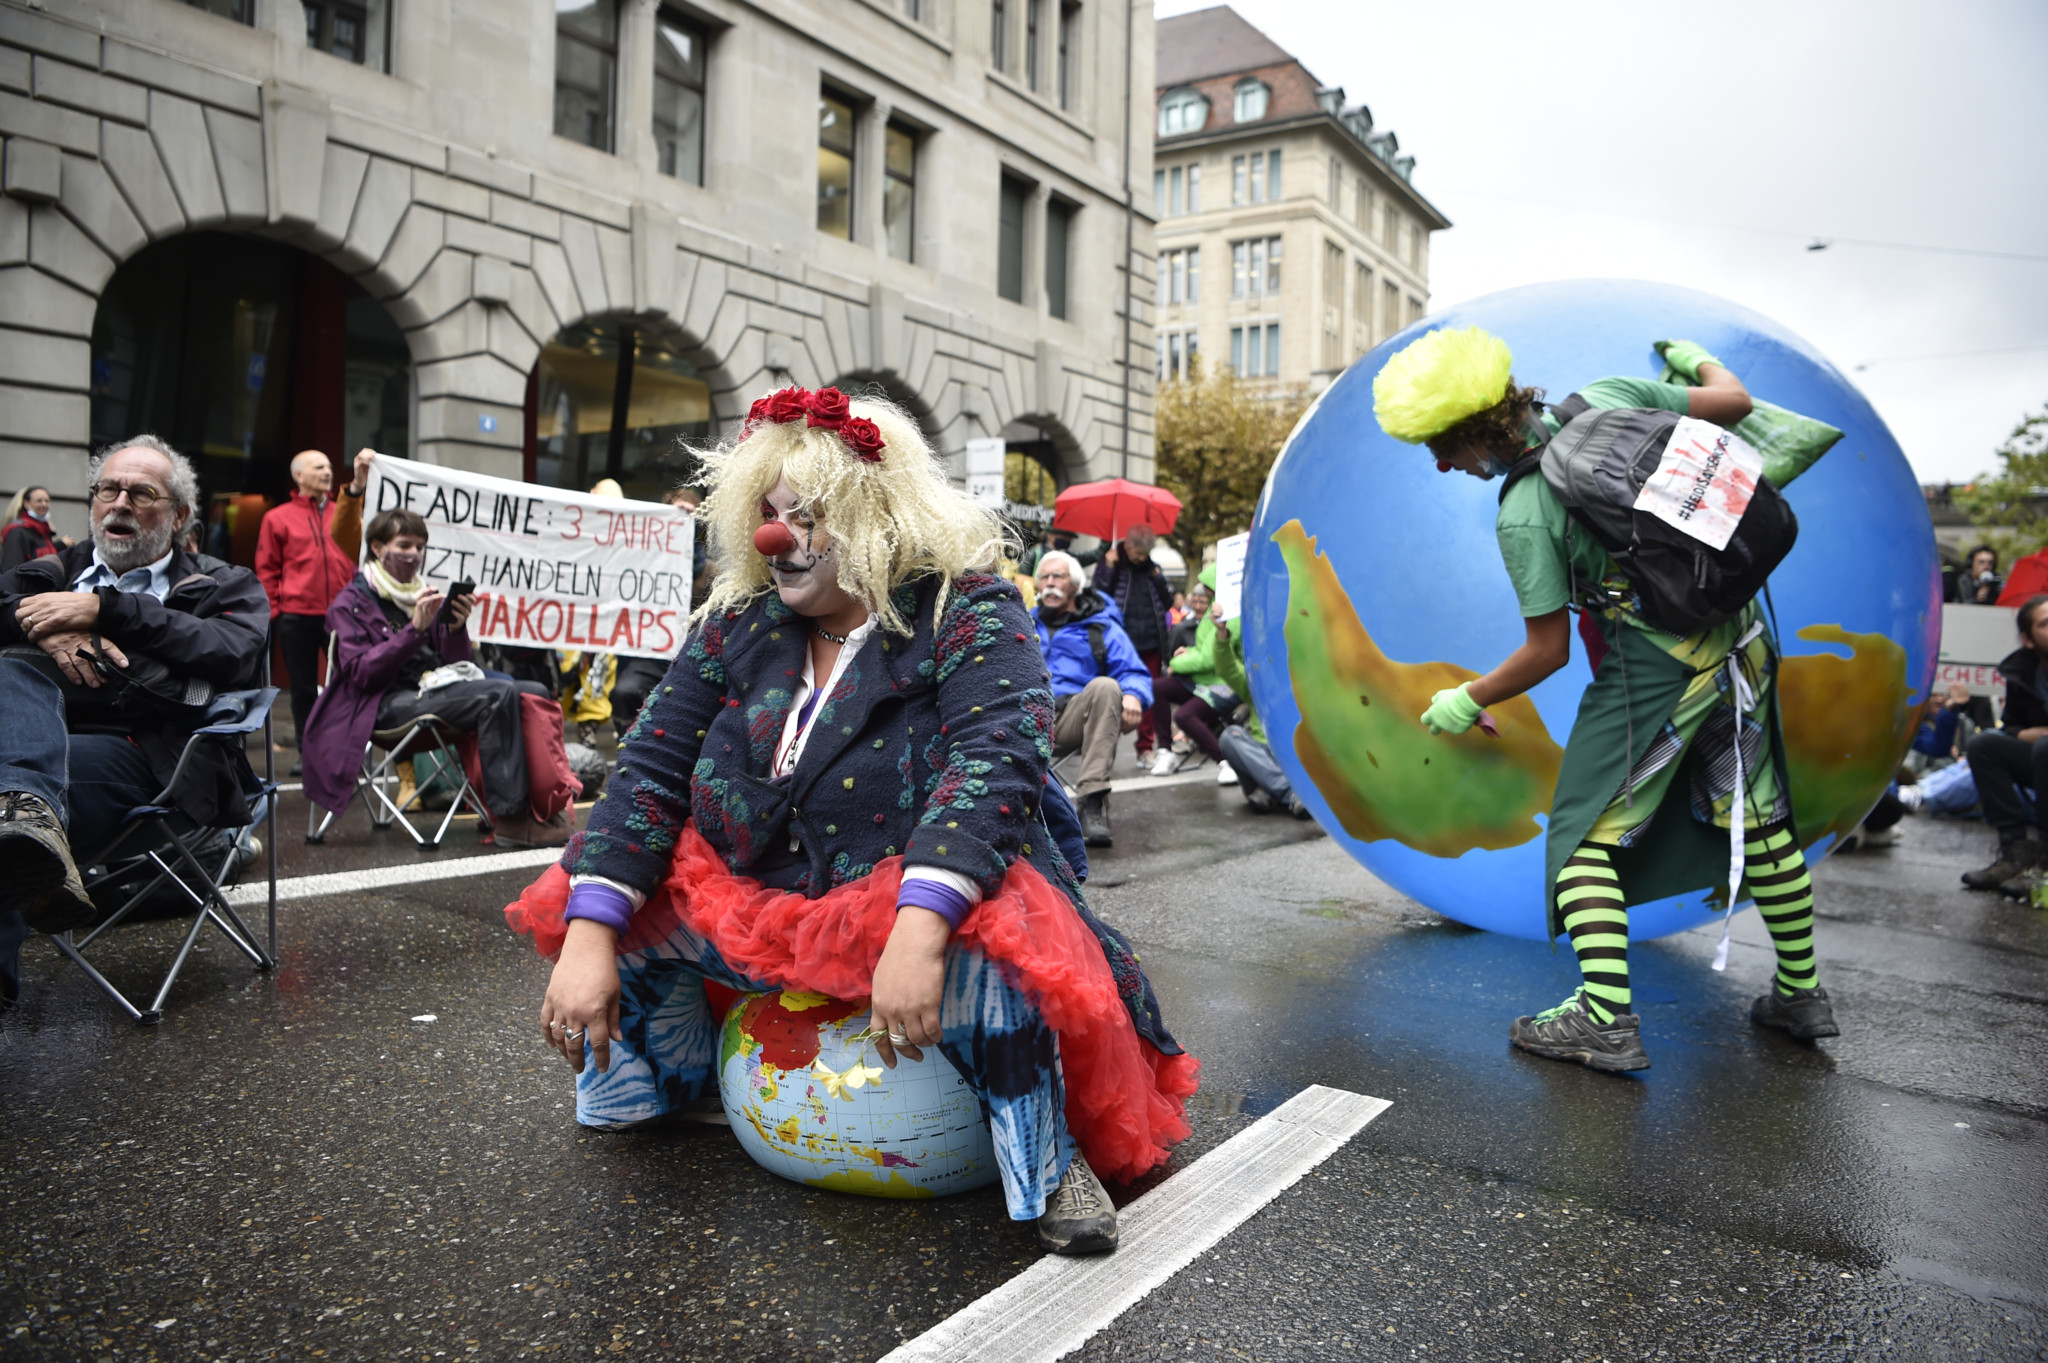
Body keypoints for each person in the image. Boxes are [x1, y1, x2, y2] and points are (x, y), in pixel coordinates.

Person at [507, 386, 1194, 1256]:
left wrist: (919, 929)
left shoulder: (968, 608)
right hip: (763, 895)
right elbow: (650, 766)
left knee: (999, 949)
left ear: (877, 515)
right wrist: (589, 935)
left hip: (902, 892)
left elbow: (996, 762)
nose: (776, 536)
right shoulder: (736, 624)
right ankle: (665, 1088)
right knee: (620, 907)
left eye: (809, 515)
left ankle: (1046, 1161)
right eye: (768, 513)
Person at [1374, 326, 1842, 1073]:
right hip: (1743, 641)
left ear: (1475, 432)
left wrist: (1464, 698)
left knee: (1582, 840)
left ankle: (1603, 1019)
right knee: (1754, 813)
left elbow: (1546, 651)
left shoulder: (1526, 510)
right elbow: (1735, 402)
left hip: (1655, 673)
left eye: (1442, 445)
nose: (1441, 463)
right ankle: (1801, 992)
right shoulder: (1608, 397)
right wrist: (1693, 359)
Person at [0, 435, 268, 1003]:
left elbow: (231, 654)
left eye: (141, 493)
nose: (119, 504)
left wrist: (106, 610)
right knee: (14, 673)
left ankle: (24, 810)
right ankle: (25, 814)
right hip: (30, 745)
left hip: (151, 759)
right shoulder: (49, 572)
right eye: (108, 490)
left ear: (179, 516)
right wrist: (46, 634)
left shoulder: (222, 582)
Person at [300, 507, 574, 847]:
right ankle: (511, 820)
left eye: (419, 546)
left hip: (434, 690)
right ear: (377, 548)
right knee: (496, 694)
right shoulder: (351, 603)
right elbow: (362, 675)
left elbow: (456, 663)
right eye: (404, 545)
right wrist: (414, 630)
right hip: (380, 705)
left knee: (531, 690)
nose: (414, 555)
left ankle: (541, 807)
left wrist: (456, 628)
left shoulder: (423, 594)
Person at [1034, 549, 1154, 847]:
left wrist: (1134, 695)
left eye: (1058, 576)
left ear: (1075, 585)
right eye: (1044, 577)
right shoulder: (1021, 622)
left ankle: (1091, 802)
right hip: (1024, 716)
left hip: (1071, 717)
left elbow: (1133, 671)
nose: (1050, 583)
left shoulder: (1101, 626)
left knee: (1106, 687)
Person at [256, 450, 358, 767]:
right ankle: (309, 754)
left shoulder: (345, 513)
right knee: (302, 690)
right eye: (318, 467)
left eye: (329, 466)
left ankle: (343, 751)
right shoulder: (277, 518)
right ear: (299, 475)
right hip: (296, 615)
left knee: (347, 683)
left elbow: (358, 558)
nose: (327, 472)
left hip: (340, 613)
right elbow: (267, 569)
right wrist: (276, 612)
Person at [1959, 596, 2048, 894]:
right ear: (2027, 639)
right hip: (2041, 759)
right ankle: (2015, 853)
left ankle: (2045, 862)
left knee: (2044, 748)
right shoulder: (2022, 672)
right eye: (2045, 624)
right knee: (1983, 745)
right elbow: (2012, 725)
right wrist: (2025, 734)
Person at [1209, 614, 1311, 818]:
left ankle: (1272, 791)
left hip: (1292, 758)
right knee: (1229, 736)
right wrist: (1221, 633)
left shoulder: (1304, 680)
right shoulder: (1256, 678)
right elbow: (1226, 668)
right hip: (1261, 756)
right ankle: (1289, 793)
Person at [1092, 525, 1176, 768]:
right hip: (1120, 644)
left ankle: (1145, 749)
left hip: (1151, 642)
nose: (1142, 558)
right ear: (1127, 546)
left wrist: (1158, 578)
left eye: (1145, 554)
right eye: (1139, 553)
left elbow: (1168, 601)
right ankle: (1104, 751)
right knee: (1112, 696)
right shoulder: (1111, 563)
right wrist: (1108, 568)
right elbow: (1097, 599)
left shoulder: (1153, 570)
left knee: (1146, 697)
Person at [1150, 566, 1239, 782]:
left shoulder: (1228, 612)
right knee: (1157, 687)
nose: (1204, 592)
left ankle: (1224, 762)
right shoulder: (1216, 607)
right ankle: (1165, 751)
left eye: (1207, 588)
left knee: (1184, 716)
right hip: (1205, 681)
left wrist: (1176, 663)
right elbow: (1205, 649)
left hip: (1225, 684)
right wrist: (1189, 653)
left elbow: (1209, 658)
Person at [1, 485, 74, 570]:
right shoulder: (17, 531)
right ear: (26, 504)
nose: (44, 504)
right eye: (39, 501)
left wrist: (59, 546)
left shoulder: (44, 529)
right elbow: (11, 567)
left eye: (47, 501)